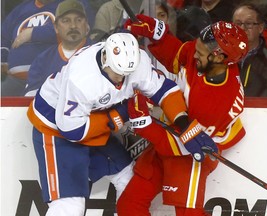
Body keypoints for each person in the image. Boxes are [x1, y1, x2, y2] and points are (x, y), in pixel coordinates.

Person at [27, 32, 216, 215]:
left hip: (93, 123)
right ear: (105, 60)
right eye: (118, 73)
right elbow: (73, 131)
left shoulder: (136, 62)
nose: (122, 80)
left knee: (129, 181)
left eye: (128, 74)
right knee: (70, 206)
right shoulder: (81, 78)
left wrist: (183, 123)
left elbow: (165, 90)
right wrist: (120, 114)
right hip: (55, 129)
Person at [118, 15, 249, 215]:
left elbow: (181, 143)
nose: (194, 55)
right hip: (170, 139)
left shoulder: (216, 100)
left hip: (193, 154)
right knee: (130, 205)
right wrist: (158, 35)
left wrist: (144, 124)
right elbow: (179, 56)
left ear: (220, 57)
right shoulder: (206, 57)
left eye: (200, 53)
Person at [24, 0, 92, 96]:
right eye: (66, 21)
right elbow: (31, 98)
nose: (73, 26)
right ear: (56, 27)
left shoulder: (100, 54)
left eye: (79, 20)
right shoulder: (43, 60)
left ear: (86, 25)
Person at [1, 0, 61, 96]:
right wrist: (2, 59)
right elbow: (4, 36)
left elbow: (70, 29)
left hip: (49, 79)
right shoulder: (20, 9)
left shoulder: (67, 5)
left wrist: (33, 33)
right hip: (15, 79)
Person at [232, 3, 267, 97]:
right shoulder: (221, 56)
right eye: (238, 24)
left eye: (248, 23)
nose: (242, 28)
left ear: (260, 28)